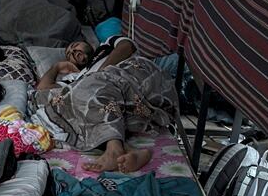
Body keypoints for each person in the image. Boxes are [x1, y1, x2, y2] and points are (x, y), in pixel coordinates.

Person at [31, 53, 177, 174]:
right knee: (65, 107)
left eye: (75, 46)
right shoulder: (70, 80)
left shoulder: (107, 47)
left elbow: (126, 45)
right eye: (69, 52)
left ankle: (114, 149)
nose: (74, 52)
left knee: (92, 90)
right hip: (124, 107)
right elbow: (43, 89)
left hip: (130, 76)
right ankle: (126, 148)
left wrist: (96, 73)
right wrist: (56, 66)